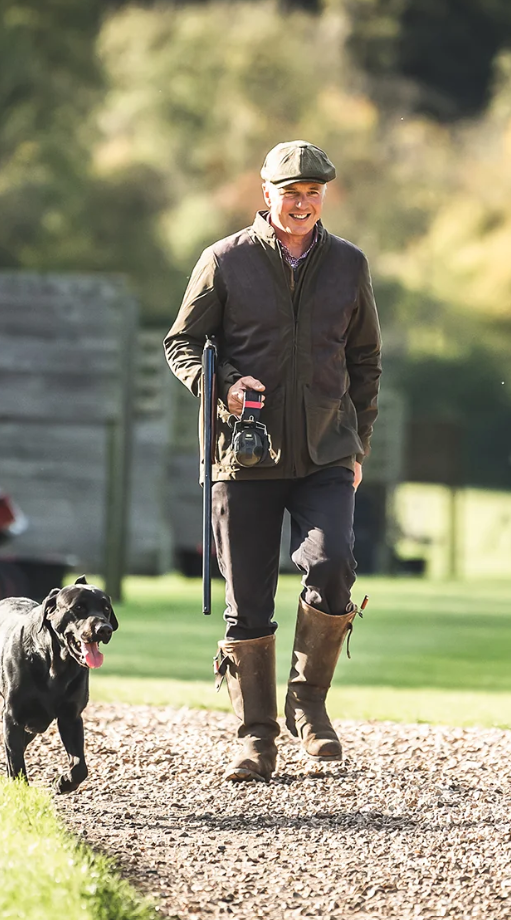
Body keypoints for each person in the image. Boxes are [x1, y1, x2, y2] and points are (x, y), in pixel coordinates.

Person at [164, 141, 382, 783]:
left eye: (313, 193)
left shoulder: (349, 264)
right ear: (267, 193)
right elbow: (182, 345)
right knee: (247, 600)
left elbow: (366, 362)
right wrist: (223, 387)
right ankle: (254, 736)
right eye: (291, 192)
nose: (303, 203)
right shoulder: (223, 261)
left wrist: (358, 442)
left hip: (326, 453)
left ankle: (307, 705)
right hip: (244, 454)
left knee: (333, 563)